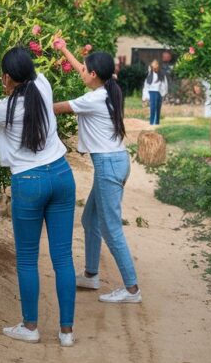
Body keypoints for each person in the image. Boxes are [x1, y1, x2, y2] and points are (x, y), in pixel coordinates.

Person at [0, 47, 76, 347]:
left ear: (7, 77)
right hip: (62, 175)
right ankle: (66, 333)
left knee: (27, 259)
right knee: (63, 258)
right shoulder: (44, 84)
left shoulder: (4, 107)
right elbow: (30, 79)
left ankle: (30, 326)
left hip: (30, 182)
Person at [53, 39, 141, 304]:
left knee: (110, 228)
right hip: (114, 162)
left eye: (85, 70)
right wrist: (63, 49)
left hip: (109, 165)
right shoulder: (105, 88)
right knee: (90, 220)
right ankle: (91, 274)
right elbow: (82, 67)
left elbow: (57, 108)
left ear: (93, 75)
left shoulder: (93, 98)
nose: (81, 71)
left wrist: (27, 102)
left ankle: (132, 289)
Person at [142, 59, 168, 125]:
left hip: (158, 93)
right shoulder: (149, 75)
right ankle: (152, 122)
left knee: (158, 108)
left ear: (158, 65)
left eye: (156, 64)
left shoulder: (162, 75)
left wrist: (164, 93)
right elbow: (146, 86)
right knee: (153, 107)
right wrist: (145, 97)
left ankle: (156, 123)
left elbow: (165, 85)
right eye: (153, 64)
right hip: (152, 92)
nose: (155, 65)